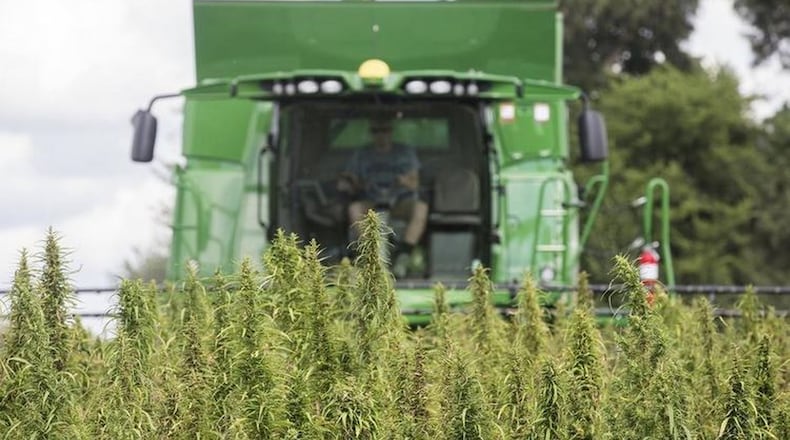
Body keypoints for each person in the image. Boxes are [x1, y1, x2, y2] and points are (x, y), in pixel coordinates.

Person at [337, 115, 428, 273]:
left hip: (399, 200)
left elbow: (415, 183)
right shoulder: (362, 154)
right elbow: (349, 180)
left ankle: (404, 255)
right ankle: (370, 254)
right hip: (371, 201)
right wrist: (353, 183)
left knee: (420, 208)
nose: (381, 135)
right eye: (376, 131)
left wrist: (403, 181)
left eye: (384, 130)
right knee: (354, 208)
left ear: (391, 132)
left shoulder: (404, 152)